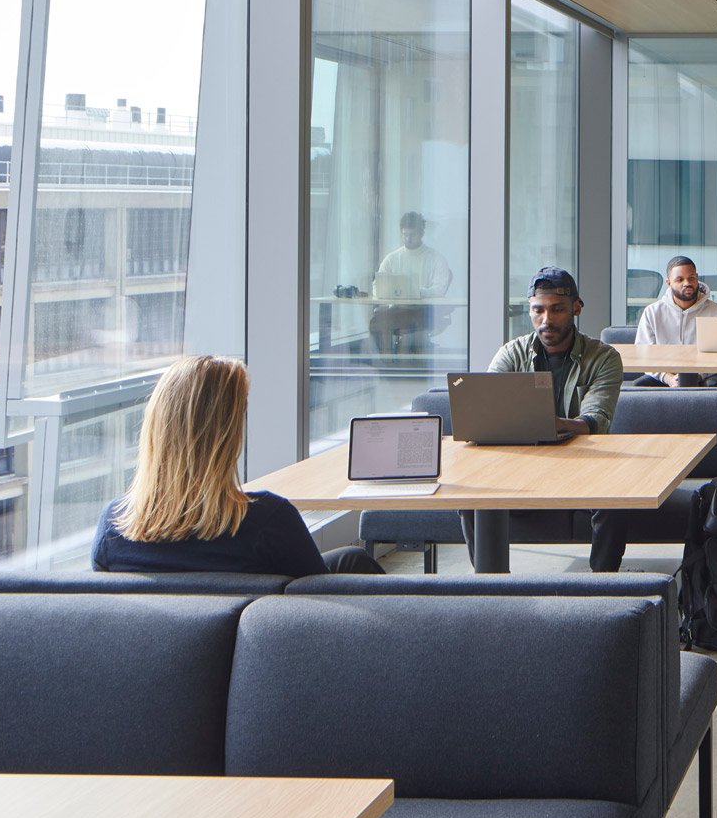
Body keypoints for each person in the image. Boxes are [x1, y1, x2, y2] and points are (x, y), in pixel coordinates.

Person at [94, 354, 383, 576]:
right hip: (264, 650)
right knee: (355, 563)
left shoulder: (113, 525)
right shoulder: (269, 522)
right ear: (224, 434)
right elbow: (314, 604)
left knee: (350, 558)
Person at [488, 268, 629, 570]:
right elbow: (489, 409)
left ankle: (602, 590)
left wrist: (557, 425)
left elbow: (596, 421)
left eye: (557, 310)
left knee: (615, 498)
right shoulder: (511, 354)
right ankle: (492, 587)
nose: (547, 320)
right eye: (538, 310)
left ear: (576, 308)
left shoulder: (603, 357)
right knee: (472, 500)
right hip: (521, 463)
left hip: (584, 465)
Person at [370, 211, 454, 356]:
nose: (408, 239)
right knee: (376, 322)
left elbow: (440, 289)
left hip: (424, 310)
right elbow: (377, 287)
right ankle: (386, 363)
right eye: (404, 234)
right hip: (398, 310)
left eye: (412, 235)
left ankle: (406, 356)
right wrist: (386, 292)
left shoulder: (435, 258)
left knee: (401, 323)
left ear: (421, 233)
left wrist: (418, 292)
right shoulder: (392, 259)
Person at [636, 254, 717, 386]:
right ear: (669, 283)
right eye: (679, 279)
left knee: (716, 385)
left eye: (691, 278)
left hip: (704, 375)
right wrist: (668, 378)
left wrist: (698, 375)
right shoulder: (652, 312)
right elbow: (643, 355)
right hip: (664, 376)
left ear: (697, 278)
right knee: (640, 387)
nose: (687, 283)